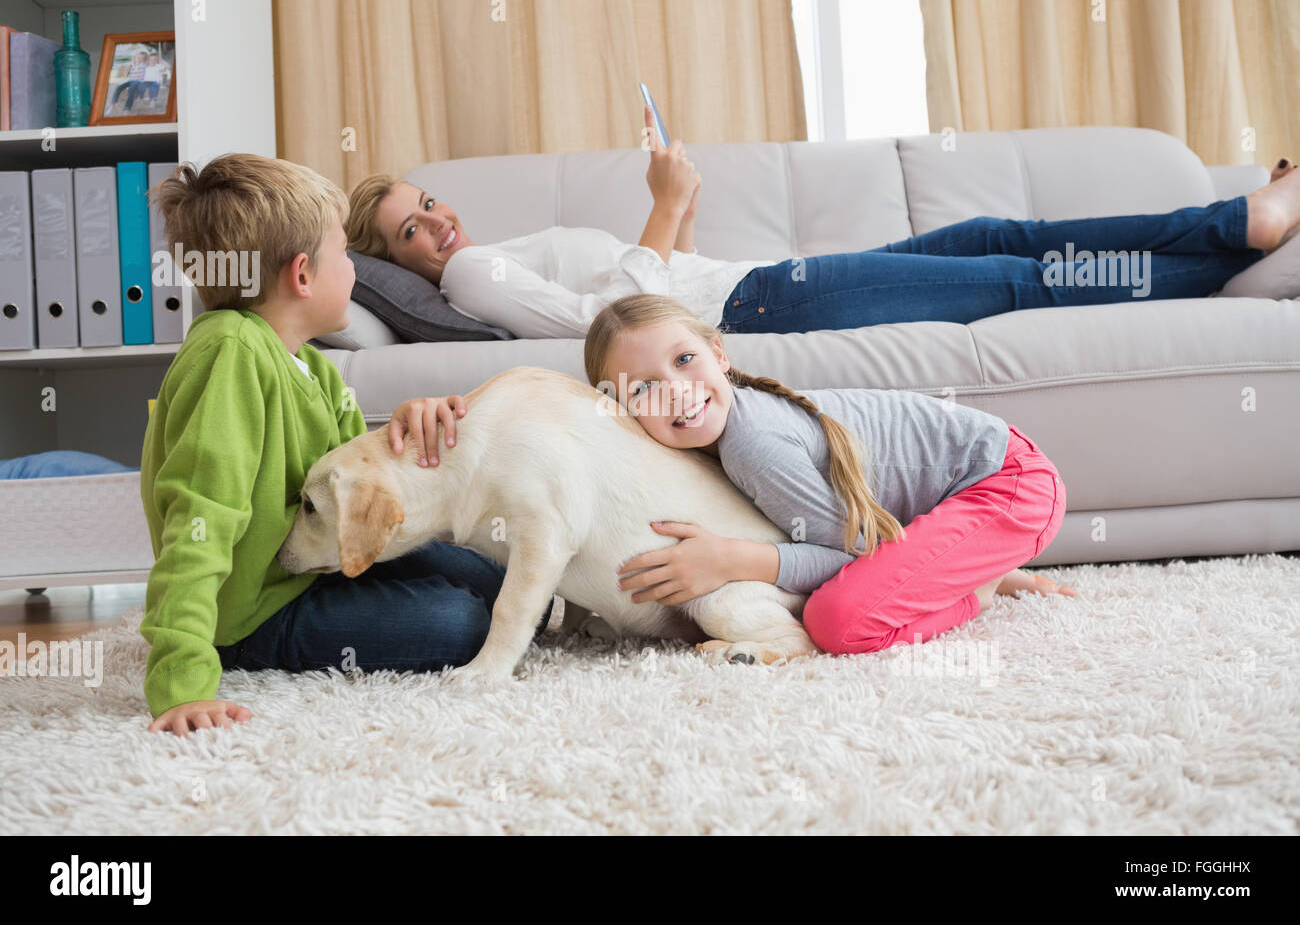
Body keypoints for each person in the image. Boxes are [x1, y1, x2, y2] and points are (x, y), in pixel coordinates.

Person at [139, 153, 550, 737]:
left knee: (489, 568)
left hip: (315, 564)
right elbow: (197, 520)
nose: (354, 269)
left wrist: (399, 430)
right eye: (343, 253)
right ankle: (231, 649)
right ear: (303, 275)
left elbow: (345, 479)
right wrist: (181, 680)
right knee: (459, 622)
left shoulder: (314, 367)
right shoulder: (230, 356)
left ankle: (521, 605)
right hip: (257, 610)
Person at [343, 105, 1300, 340]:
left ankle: (1232, 222)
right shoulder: (468, 282)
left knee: (995, 235)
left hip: (766, 283)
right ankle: (1239, 229)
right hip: (758, 309)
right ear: (395, 264)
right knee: (1014, 283)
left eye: (427, 204)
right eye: (408, 232)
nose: (436, 225)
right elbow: (614, 327)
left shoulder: (490, 253)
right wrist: (668, 206)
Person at [583, 292, 1080, 655]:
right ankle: (967, 563)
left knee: (837, 622)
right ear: (622, 411)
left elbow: (854, 550)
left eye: (685, 360)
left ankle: (980, 587)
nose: (675, 390)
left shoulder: (754, 443)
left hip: (1011, 484)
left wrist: (734, 559)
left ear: (719, 354)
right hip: (973, 485)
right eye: (644, 388)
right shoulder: (714, 441)